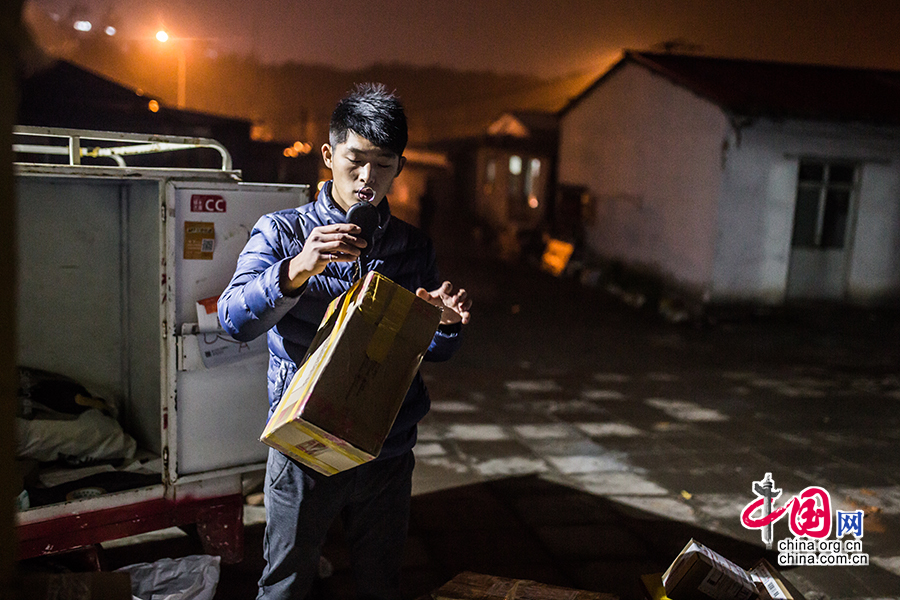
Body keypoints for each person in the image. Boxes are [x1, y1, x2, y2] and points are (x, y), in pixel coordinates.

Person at [218, 83, 472, 600]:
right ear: (330, 155)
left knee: (381, 583)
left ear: (399, 167)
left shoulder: (411, 246)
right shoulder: (284, 232)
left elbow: (428, 355)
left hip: (387, 448)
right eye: (356, 161)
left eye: (383, 165)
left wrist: (443, 325)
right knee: (286, 585)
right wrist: (295, 270)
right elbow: (233, 319)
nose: (366, 179)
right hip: (304, 444)